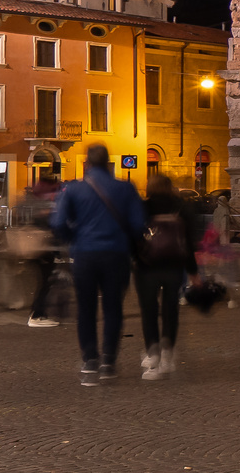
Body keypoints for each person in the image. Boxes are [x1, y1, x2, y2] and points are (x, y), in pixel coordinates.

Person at [51, 144, 144, 385]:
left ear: (87, 164)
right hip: (116, 254)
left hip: (85, 254)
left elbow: (58, 222)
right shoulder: (125, 188)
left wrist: (75, 238)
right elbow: (138, 224)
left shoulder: (74, 190)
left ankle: (90, 359)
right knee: (113, 308)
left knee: (86, 308)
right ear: (108, 163)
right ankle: (108, 362)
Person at [136, 172, 201, 380]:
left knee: (149, 312)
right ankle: (167, 355)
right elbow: (189, 243)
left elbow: (133, 236)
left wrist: (137, 258)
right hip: (174, 266)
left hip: (147, 267)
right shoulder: (181, 207)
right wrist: (193, 272)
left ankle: (153, 357)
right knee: (170, 310)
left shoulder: (143, 208)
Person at [14, 172, 62, 326]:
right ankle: (36, 315)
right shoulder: (42, 202)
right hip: (42, 247)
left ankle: (38, 313)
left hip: (36, 247)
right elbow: (49, 223)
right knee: (45, 281)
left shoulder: (29, 200)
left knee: (44, 281)